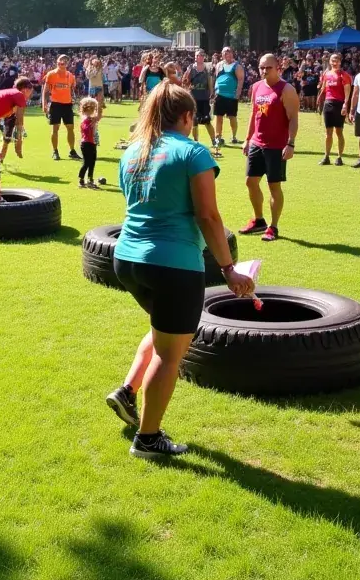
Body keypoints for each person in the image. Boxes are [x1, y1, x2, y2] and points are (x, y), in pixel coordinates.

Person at [106, 81, 253, 460]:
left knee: (163, 329)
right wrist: (229, 269)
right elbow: (207, 215)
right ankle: (148, 438)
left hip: (127, 259)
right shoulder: (193, 152)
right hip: (173, 263)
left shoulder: (132, 151)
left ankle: (127, 390)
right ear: (188, 116)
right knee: (171, 355)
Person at [240, 54, 299, 242]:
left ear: (277, 68)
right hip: (257, 142)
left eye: (268, 68)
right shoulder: (256, 87)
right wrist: (248, 138)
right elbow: (253, 114)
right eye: (261, 67)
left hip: (276, 146)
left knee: (274, 186)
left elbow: (293, 118)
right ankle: (259, 221)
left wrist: (291, 143)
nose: (264, 71)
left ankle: (273, 227)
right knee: (250, 182)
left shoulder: (286, 89)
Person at [42, 54, 80, 161]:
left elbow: (73, 89)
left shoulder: (70, 76)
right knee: (55, 128)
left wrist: (74, 99)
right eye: (59, 60)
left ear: (67, 63)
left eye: (63, 61)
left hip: (67, 105)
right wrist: (44, 103)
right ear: (57, 61)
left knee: (70, 128)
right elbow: (45, 91)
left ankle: (72, 151)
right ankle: (55, 151)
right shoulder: (51, 74)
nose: (61, 62)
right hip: (55, 104)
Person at [317, 52, 352, 166]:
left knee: (339, 132)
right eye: (332, 60)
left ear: (340, 62)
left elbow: (347, 92)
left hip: (339, 104)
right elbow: (324, 87)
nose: (334, 62)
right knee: (328, 133)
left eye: (336, 60)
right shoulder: (326, 74)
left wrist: (345, 105)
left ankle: (339, 157)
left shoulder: (344, 75)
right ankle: (326, 156)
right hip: (328, 103)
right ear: (330, 62)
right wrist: (319, 98)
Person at [182, 50, 218, 156]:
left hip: (204, 98)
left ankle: (214, 141)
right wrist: (189, 87)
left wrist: (211, 94)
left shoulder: (207, 68)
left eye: (202, 55)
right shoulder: (191, 68)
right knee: (194, 121)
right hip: (193, 98)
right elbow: (184, 80)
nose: (200, 57)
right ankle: (196, 141)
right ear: (195, 57)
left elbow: (210, 82)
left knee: (207, 120)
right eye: (198, 55)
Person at [212, 47, 244, 148]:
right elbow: (216, 78)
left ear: (232, 54)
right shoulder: (219, 65)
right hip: (219, 95)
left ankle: (234, 136)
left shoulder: (237, 66)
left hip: (231, 96)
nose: (227, 55)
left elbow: (240, 80)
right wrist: (214, 91)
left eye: (229, 52)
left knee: (232, 117)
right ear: (222, 55)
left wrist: (238, 93)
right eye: (225, 53)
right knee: (218, 117)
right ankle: (218, 136)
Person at [77, 97, 102, 188]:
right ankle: (81, 179)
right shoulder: (86, 120)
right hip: (86, 144)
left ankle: (90, 178)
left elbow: (99, 114)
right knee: (86, 162)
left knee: (92, 162)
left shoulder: (93, 119)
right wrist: (92, 124)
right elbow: (86, 130)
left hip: (92, 143)